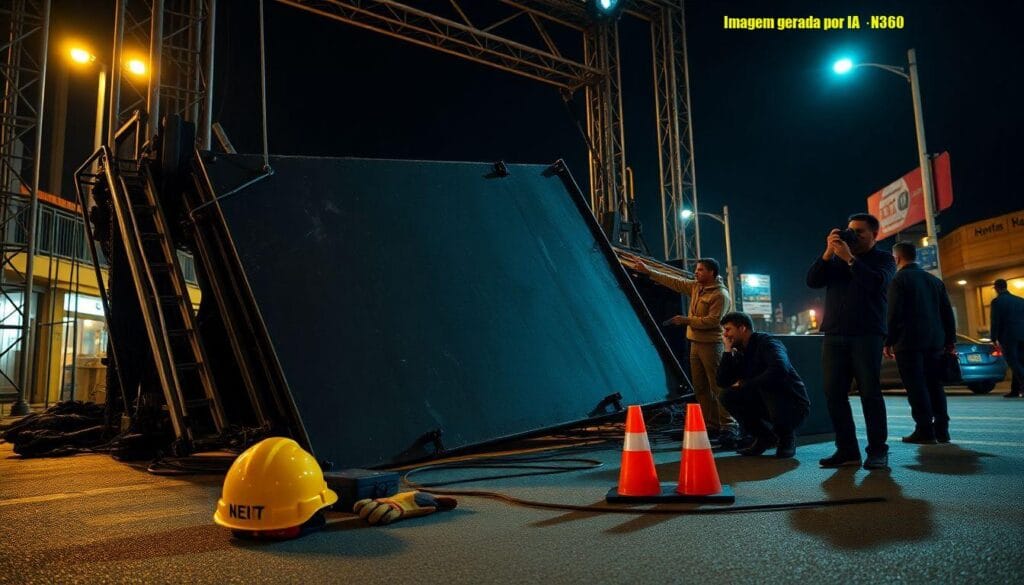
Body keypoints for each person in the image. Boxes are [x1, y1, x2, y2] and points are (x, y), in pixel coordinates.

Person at [806, 213, 896, 470]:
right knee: (833, 394)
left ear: (875, 235)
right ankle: (847, 451)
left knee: (870, 393)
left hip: (866, 334)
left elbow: (876, 284)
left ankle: (878, 451)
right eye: (850, 230)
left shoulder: (884, 259)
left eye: (860, 232)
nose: (853, 236)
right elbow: (812, 281)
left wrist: (849, 259)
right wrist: (827, 253)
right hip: (834, 333)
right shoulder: (834, 259)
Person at [626, 255, 738, 445]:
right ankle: (710, 425)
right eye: (697, 269)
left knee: (718, 386)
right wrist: (649, 272)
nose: (696, 272)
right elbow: (674, 282)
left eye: (701, 269)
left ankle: (729, 426)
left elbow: (713, 321)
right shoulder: (696, 287)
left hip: (711, 345)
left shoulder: (720, 295)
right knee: (701, 388)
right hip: (695, 344)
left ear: (712, 273)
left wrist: (685, 320)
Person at [884, 242, 957, 443]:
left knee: (916, 387)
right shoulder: (934, 281)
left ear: (896, 258)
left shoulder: (898, 280)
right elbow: (947, 314)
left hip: (909, 343)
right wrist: (950, 340)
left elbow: (893, 314)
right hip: (936, 343)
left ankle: (924, 429)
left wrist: (888, 341)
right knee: (935, 385)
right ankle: (942, 430)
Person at [717, 312, 810, 458]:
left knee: (768, 386)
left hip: (793, 405)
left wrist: (745, 384)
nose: (725, 335)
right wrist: (727, 352)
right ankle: (764, 437)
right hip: (766, 402)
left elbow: (780, 370)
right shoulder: (740, 351)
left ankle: (786, 438)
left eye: (728, 329)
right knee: (727, 395)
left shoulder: (768, 343)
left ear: (742, 328)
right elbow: (722, 382)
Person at [990, 278, 1024, 398]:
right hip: (1022, 335)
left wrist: (993, 338)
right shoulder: (1020, 300)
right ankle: (1015, 389)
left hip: (1008, 336)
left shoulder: (997, 302)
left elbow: (995, 321)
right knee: (1020, 361)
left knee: (1013, 362)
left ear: (997, 288)